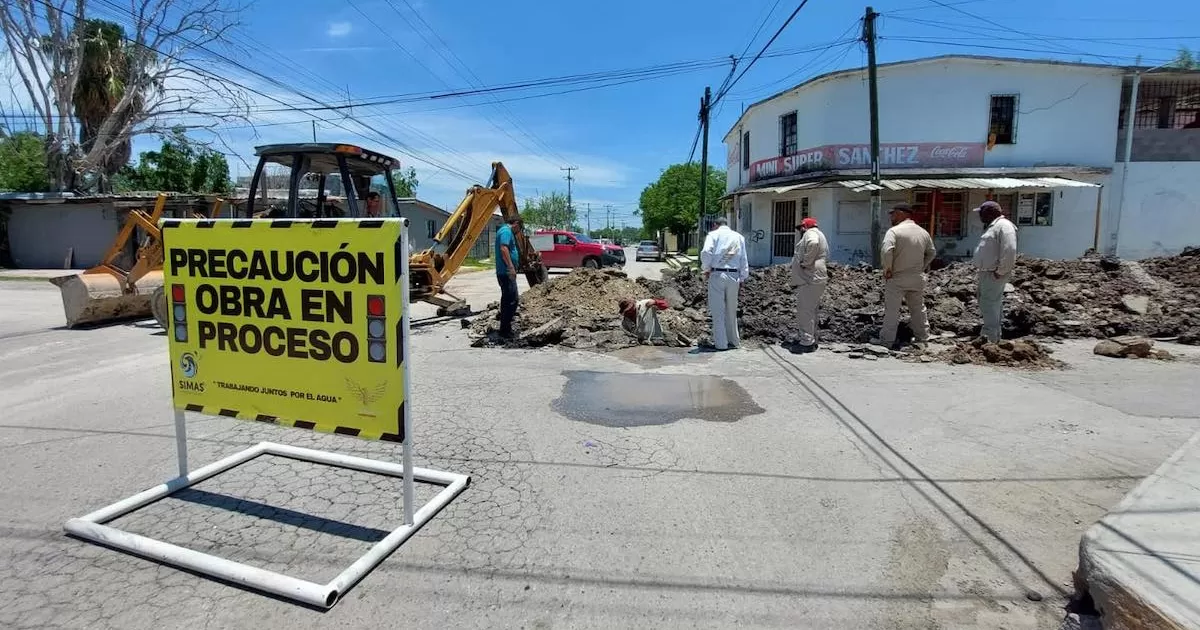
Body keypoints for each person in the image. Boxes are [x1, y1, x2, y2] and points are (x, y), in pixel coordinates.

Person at [877, 202, 936, 349]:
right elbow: (931, 252)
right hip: (916, 277)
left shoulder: (894, 231)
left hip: (897, 276)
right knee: (918, 309)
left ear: (901, 213)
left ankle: (887, 341)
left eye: (893, 214)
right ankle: (922, 338)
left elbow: (887, 250)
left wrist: (888, 268)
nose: (891, 217)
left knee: (892, 310)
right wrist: (922, 267)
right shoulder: (923, 232)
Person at [972, 200, 1018, 343]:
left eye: (981, 213)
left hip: (994, 273)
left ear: (989, 213)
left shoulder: (1004, 226)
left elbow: (1009, 250)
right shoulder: (993, 226)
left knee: (989, 304)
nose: (980, 216)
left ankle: (989, 338)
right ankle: (993, 336)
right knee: (988, 303)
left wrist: (1001, 271)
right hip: (987, 272)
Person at [700, 217, 749, 350]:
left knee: (718, 311)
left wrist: (706, 268)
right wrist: (743, 277)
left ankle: (721, 344)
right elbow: (744, 258)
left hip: (717, 274)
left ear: (715, 224)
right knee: (731, 310)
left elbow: (706, 252)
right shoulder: (738, 237)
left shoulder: (713, 235)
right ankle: (733, 340)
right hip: (734, 275)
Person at [789, 217, 829, 352]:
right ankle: (811, 338)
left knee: (805, 310)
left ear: (805, 226)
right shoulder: (820, 234)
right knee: (811, 310)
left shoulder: (810, 233)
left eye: (801, 228)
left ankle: (806, 342)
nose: (800, 231)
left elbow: (813, 243)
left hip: (810, 278)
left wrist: (805, 262)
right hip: (816, 277)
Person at [494, 217, 521, 338]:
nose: (519, 231)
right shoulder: (506, 231)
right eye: (520, 228)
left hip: (503, 272)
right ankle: (505, 330)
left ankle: (505, 328)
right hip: (506, 272)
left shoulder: (503, 230)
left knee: (507, 299)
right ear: (516, 224)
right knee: (512, 299)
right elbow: (504, 248)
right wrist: (511, 267)